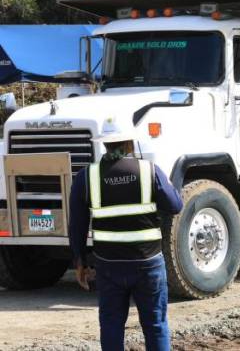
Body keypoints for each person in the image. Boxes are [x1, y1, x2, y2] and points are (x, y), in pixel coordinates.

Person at [68, 116, 183, 351]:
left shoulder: (86, 177)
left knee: (111, 326)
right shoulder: (149, 170)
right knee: (155, 325)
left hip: (108, 266)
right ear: (130, 143)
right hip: (148, 263)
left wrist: (79, 262)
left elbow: (77, 225)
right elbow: (175, 205)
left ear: (104, 144)